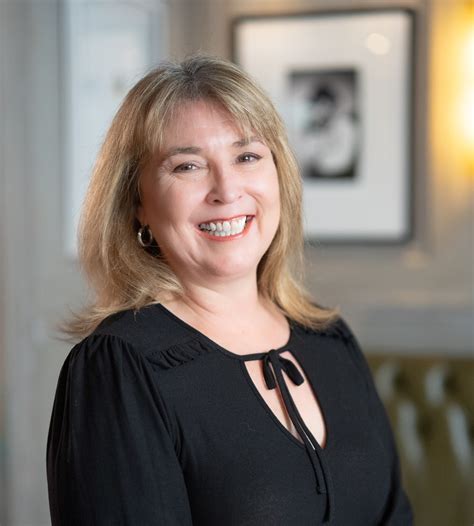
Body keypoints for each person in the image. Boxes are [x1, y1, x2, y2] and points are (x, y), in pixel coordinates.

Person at [46, 54, 413, 525]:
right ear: (137, 203)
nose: (226, 189)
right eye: (187, 166)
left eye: (247, 157)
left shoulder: (330, 339)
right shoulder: (120, 369)